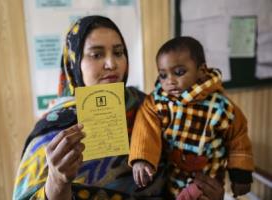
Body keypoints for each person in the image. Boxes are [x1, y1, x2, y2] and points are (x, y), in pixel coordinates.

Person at [13, 16, 226, 200]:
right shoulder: (52, 130)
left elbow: (181, 173)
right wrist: (57, 182)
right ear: (74, 62)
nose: (111, 64)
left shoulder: (154, 108)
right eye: (96, 54)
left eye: (118, 52)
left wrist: (204, 191)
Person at [128, 37, 254, 200]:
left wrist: (240, 174)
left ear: (201, 70)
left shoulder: (220, 106)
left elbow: (238, 137)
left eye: (179, 72)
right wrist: (142, 159)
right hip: (172, 180)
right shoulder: (157, 103)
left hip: (208, 183)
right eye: (163, 75)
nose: (170, 81)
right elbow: (145, 130)